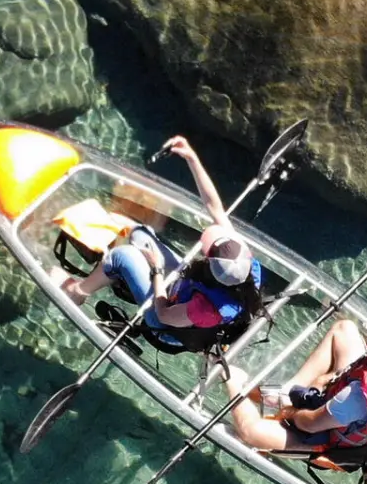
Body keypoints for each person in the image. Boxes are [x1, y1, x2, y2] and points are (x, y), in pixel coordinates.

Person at [63, 134, 261, 340]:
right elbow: (215, 208)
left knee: (122, 255)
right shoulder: (243, 262)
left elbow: (164, 315)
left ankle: (78, 293)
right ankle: (117, 275)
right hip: (184, 284)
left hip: (166, 325)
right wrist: (191, 158)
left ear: (211, 264)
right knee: (138, 233)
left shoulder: (205, 308)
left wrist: (157, 270)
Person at [231, 314, 367, 455]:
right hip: (350, 405)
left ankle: (232, 377)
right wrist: (326, 380)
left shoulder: (357, 398)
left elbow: (308, 424)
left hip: (328, 435)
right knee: (345, 329)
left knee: (251, 431)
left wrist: (290, 411)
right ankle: (288, 389)